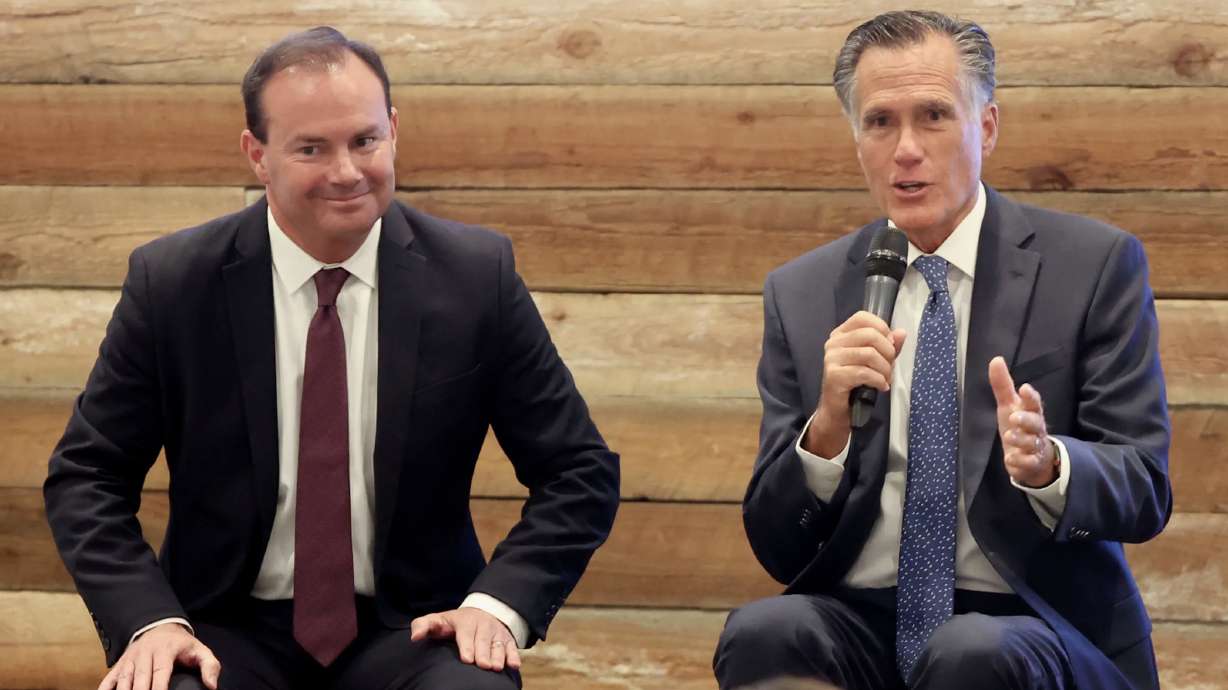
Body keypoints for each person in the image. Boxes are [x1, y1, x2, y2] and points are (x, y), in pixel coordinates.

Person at [44, 26, 619, 690]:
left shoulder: (474, 276)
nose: (347, 171)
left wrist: (494, 608)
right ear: (257, 155)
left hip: (417, 627)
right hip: (221, 628)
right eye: (311, 148)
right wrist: (150, 621)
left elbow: (579, 471)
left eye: (364, 141)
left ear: (393, 131)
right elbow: (87, 476)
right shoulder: (173, 283)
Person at [714, 10, 1170, 690]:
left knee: (970, 651)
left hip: (1034, 623)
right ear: (856, 139)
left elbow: (1145, 487)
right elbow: (779, 546)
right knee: (763, 633)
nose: (905, 148)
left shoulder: (1093, 265)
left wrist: (1050, 467)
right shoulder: (802, 293)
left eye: (933, 116)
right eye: (879, 121)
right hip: (863, 619)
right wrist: (826, 434)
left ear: (985, 126)